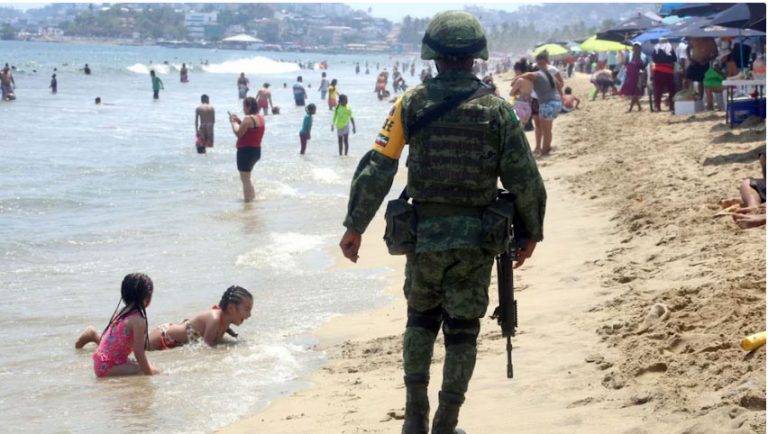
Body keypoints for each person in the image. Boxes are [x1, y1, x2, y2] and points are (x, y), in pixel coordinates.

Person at [338, 11, 546, 434]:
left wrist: (354, 225)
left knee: (419, 319)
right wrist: (531, 232)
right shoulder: (498, 112)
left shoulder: (409, 103)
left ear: (433, 56)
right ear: (476, 59)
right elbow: (525, 178)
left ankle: (413, 417)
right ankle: (445, 424)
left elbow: (379, 166)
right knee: (462, 331)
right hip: (475, 243)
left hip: (423, 239)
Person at [75, 273, 160, 377]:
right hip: (107, 367)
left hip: (103, 361)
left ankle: (93, 334)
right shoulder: (138, 320)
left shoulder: (122, 311)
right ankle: (93, 335)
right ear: (147, 297)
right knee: (148, 371)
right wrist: (149, 374)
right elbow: (139, 353)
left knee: (145, 366)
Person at [149, 286, 253, 350]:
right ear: (231, 308)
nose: (249, 315)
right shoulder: (215, 319)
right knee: (140, 351)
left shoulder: (225, 322)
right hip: (163, 336)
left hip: (176, 342)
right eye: (247, 309)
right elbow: (207, 347)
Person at [519, 51, 563, 156]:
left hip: (544, 101)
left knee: (544, 128)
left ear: (546, 61)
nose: (539, 64)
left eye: (541, 62)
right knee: (543, 127)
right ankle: (541, 147)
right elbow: (559, 84)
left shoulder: (550, 70)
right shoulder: (544, 71)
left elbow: (560, 84)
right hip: (545, 100)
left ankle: (543, 149)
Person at [230, 97, 264, 203]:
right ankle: (252, 200)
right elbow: (250, 129)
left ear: (249, 107)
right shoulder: (259, 118)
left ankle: (248, 203)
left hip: (245, 152)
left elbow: (238, 133)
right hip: (256, 151)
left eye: (244, 106)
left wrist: (233, 123)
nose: (243, 109)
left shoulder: (248, 119)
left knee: (245, 180)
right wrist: (239, 121)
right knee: (247, 179)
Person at [620, 42, 648, 113]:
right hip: (630, 76)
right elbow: (625, 64)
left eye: (637, 47)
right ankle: (639, 107)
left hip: (638, 76)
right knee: (633, 93)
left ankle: (631, 109)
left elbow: (644, 66)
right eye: (634, 47)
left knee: (635, 93)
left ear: (640, 48)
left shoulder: (643, 56)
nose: (636, 49)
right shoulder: (629, 55)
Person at [651, 37, 677, 112]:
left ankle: (657, 106)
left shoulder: (656, 49)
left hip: (658, 71)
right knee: (671, 89)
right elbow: (674, 59)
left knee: (658, 89)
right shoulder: (670, 49)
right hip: (668, 71)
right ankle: (671, 106)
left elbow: (654, 59)